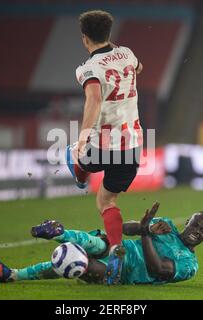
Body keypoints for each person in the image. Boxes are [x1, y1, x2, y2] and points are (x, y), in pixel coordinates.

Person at [65, 10, 144, 285]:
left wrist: (83, 136)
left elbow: (94, 100)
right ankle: (115, 247)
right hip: (132, 145)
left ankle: (80, 176)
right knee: (107, 200)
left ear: (84, 38)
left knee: (72, 151)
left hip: (102, 144)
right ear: (109, 33)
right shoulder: (128, 54)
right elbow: (139, 68)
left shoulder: (87, 69)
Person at [0, 202, 203, 285]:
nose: (197, 231)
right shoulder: (165, 226)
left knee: (77, 262)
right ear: (188, 222)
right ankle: (58, 232)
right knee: (98, 242)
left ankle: (13, 274)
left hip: (123, 273)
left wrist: (146, 234)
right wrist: (142, 227)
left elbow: (157, 269)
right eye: (195, 225)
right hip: (119, 249)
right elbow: (123, 229)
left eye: (202, 231)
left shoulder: (189, 265)